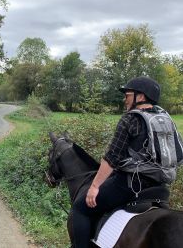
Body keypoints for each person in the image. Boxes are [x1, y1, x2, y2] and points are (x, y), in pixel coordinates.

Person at [70, 76, 183, 248]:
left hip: (130, 186)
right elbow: (179, 155)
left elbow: (112, 158)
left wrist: (94, 187)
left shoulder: (130, 119)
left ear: (141, 96)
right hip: (160, 188)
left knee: (80, 208)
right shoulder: (166, 119)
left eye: (128, 95)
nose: (125, 99)